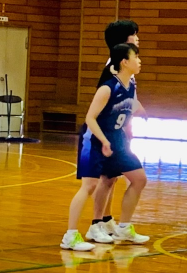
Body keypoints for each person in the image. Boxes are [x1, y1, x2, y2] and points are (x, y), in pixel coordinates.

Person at [62, 43, 150, 251]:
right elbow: (90, 118)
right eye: (136, 57)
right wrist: (104, 141)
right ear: (124, 62)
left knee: (137, 179)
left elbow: (127, 105)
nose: (140, 61)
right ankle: (70, 236)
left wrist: (139, 110)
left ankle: (123, 227)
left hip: (116, 139)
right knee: (89, 185)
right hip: (94, 139)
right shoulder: (107, 87)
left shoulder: (130, 85)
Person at [86, 20, 141, 244]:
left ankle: (107, 219)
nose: (138, 38)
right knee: (106, 178)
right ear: (124, 40)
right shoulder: (112, 69)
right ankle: (96, 223)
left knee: (113, 177)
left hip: (117, 131)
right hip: (106, 133)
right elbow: (104, 102)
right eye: (134, 35)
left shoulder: (126, 67)